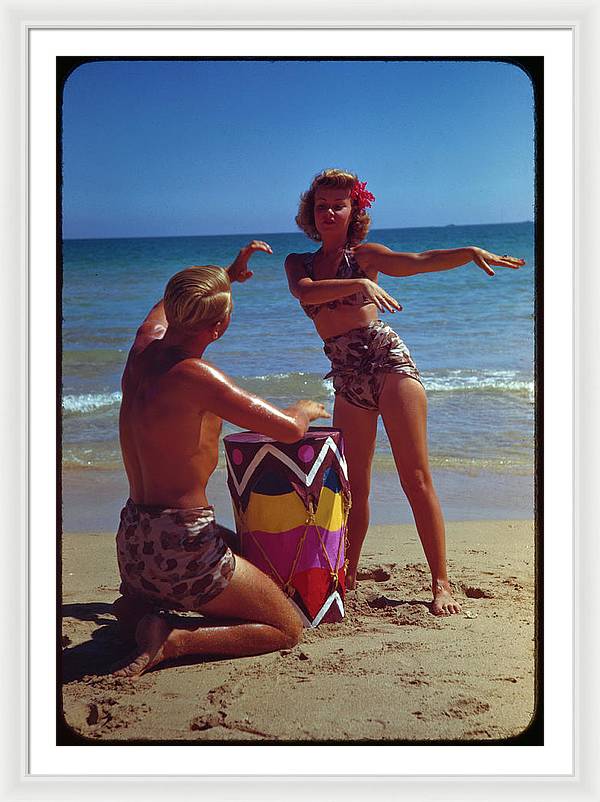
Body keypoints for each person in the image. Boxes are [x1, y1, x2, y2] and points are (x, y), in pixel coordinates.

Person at [284, 169, 525, 615]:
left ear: (354, 211)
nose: (330, 212)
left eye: (340, 204)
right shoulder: (298, 262)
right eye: (322, 205)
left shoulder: (367, 255)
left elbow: (419, 259)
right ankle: (348, 572)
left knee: (415, 478)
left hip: (388, 363)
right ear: (310, 213)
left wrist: (468, 252)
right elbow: (306, 293)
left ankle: (441, 583)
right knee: (352, 486)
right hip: (347, 375)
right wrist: (360, 285)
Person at [111, 241, 328, 677]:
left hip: (134, 543)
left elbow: (165, 306)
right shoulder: (199, 377)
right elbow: (287, 430)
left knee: (244, 548)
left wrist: (227, 273)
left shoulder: (141, 350)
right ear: (219, 327)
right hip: (182, 546)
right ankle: (175, 640)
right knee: (286, 627)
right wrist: (305, 409)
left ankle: (138, 605)